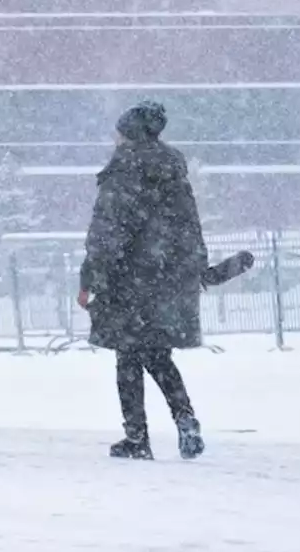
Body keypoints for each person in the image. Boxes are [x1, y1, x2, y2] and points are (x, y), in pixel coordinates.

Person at [78, 101, 208, 461]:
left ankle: (137, 437)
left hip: (128, 279)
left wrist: (90, 276)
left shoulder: (123, 168)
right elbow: (189, 226)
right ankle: (185, 418)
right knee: (158, 355)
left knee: (128, 358)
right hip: (166, 280)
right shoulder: (174, 170)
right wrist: (196, 266)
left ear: (128, 132)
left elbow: (107, 230)